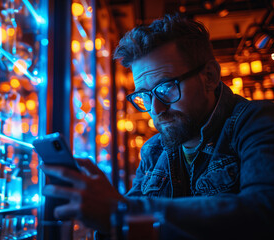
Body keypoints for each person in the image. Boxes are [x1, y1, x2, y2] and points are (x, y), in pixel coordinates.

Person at [41, 14, 274, 239]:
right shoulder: (153, 150)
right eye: (145, 95)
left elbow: (263, 212)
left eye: (166, 88)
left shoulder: (257, 121)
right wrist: (103, 219)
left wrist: (120, 211)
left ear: (210, 76)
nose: (157, 109)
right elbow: (123, 223)